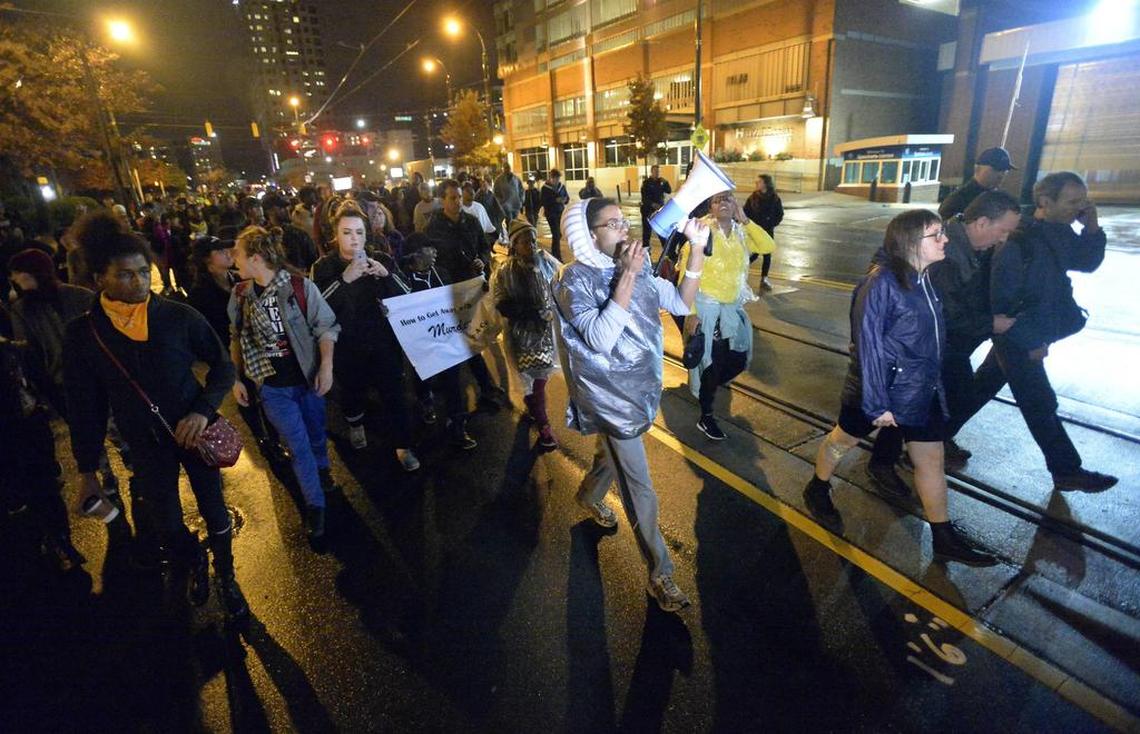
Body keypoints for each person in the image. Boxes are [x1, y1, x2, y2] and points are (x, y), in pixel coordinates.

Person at [62, 212, 249, 616]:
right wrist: (86, 471)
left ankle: (228, 576)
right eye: (125, 275)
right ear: (98, 279)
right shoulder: (85, 335)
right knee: (165, 520)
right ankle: (193, 559)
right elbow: (84, 407)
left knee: (215, 510)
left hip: (194, 434)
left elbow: (222, 366)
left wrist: (201, 412)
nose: (139, 283)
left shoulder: (175, 316)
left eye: (143, 273)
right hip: (144, 443)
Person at [801, 209, 995, 566]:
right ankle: (818, 486)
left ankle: (943, 537)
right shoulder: (880, 284)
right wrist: (877, 405)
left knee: (931, 460)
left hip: (920, 390)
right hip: (878, 392)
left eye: (943, 233)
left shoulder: (925, 277)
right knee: (842, 441)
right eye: (935, 234)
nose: (945, 240)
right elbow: (868, 346)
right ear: (909, 242)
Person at [551, 197, 710, 612]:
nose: (624, 229)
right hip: (609, 396)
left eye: (624, 221)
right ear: (589, 236)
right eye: (612, 224)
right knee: (640, 487)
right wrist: (627, 276)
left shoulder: (634, 269)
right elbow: (600, 338)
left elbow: (679, 302)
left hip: (638, 389)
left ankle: (589, 494)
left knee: (612, 454)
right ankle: (661, 575)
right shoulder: (573, 280)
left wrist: (696, 248)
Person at [867, 191, 1021, 494]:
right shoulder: (942, 254)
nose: (1004, 239)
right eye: (1003, 230)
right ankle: (884, 463)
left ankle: (921, 447)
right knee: (913, 405)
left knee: (939, 403)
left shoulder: (973, 247)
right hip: (919, 349)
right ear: (981, 222)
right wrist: (991, 323)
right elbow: (944, 313)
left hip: (944, 346)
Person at [982, 172, 1116, 492]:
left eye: (1083, 201)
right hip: (1017, 334)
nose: (1080, 207)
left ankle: (931, 438)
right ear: (1045, 202)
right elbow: (1004, 300)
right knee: (1040, 401)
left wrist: (1092, 227)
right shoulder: (1023, 239)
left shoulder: (1061, 231)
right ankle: (1066, 470)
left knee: (979, 388)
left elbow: (1086, 262)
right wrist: (1033, 341)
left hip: (1030, 332)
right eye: (1072, 201)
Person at [229, 226, 341, 540]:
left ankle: (323, 470)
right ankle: (315, 504)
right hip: (273, 388)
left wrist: (327, 366)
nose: (232, 259)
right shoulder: (240, 295)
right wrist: (238, 377)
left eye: (236, 253)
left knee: (316, 434)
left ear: (254, 258)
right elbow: (236, 336)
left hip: (307, 381)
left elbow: (327, 327)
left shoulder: (300, 288)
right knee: (297, 445)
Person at [311, 201, 421, 471]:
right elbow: (316, 309)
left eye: (359, 233)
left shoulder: (380, 258)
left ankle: (403, 446)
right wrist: (344, 280)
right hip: (347, 345)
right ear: (335, 235)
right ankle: (355, 424)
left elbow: (407, 295)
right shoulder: (324, 267)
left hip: (384, 343)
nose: (354, 239)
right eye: (347, 233)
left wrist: (386, 275)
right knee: (352, 391)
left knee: (395, 394)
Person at [679, 191, 774, 441]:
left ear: (736, 205)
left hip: (732, 309)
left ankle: (709, 387)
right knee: (711, 365)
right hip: (707, 309)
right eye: (718, 200)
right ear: (710, 206)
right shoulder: (701, 231)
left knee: (739, 360)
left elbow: (768, 246)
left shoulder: (742, 233)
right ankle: (706, 415)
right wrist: (691, 313)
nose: (723, 203)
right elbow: (686, 274)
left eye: (728, 199)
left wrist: (746, 220)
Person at [491, 219, 561, 449]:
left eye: (533, 239)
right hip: (523, 338)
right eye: (524, 241)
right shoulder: (505, 272)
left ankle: (534, 409)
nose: (531, 245)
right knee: (535, 383)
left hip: (547, 334)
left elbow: (564, 279)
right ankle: (544, 427)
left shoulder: (545, 262)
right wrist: (532, 312)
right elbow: (502, 304)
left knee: (539, 381)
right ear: (514, 244)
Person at [938, 147, 1016, 219]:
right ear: (977, 168)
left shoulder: (999, 199)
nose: (1001, 175)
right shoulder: (958, 200)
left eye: (1005, 171)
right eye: (996, 169)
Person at [743, 174, 783, 291]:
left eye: (759, 181)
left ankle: (764, 279)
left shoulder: (774, 198)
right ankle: (739, 270)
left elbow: (779, 214)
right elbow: (746, 212)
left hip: (767, 230)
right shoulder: (753, 197)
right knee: (754, 254)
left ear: (766, 183)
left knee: (767, 255)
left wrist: (771, 223)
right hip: (755, 230)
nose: (756, 183)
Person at [639, 165, 673, 254]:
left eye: (658, 172)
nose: (657, 173)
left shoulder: (661, 182)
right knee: (647, 231)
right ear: (652, 172)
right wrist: (653, 204)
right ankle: (646, 250)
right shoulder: (646, 183)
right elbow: (644, 198)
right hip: (648, 210)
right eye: (655, 171)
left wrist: (666, 182)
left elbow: (669, 191)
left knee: (661, 230)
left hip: (659, 211)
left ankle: (666, 252)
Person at [540, 169, 570, 261]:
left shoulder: (561, 187)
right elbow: (543, 201)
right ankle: (557, 256)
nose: (556, 180)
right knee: (556, 234)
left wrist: (565, 200)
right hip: (551, 213)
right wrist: (555, 200)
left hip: (560, 212)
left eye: (558, 178)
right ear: (551, 178)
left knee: (559, 234)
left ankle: (554, 252)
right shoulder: (545, 188)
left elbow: (567, 198)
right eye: (555, 178)